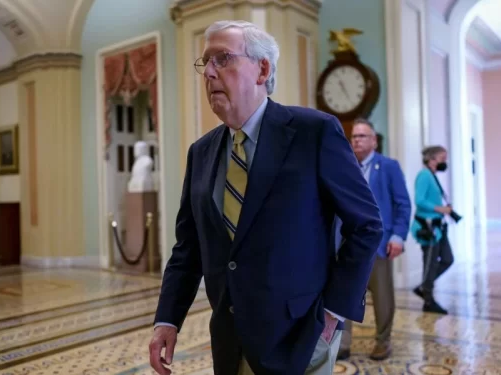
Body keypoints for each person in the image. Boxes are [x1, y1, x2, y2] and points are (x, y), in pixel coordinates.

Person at [148, 20, 383, 375]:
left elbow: (366, 225)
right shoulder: (201, 152)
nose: (209, 72)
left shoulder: (313, 132)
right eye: (205, 63)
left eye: (222, 58)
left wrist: (334, 311)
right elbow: (188, 247)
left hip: (301, 335)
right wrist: (167, 319)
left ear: (262, 69)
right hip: (229, 338)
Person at [335, 119, 411, 361]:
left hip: (379, 244)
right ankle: (343, 343)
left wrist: (398, 236)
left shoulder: (388, 166)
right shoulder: (344, 166)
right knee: (344, 294)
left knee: (382, 297)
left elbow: (402, 204)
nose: (356, 140)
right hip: (347, 244)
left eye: (362, 136)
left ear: (374, 141)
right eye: (354, 136)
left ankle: (382, 341)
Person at [411, 145, 453, 315]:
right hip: (427, 228)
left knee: (447, 259)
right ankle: (428, 300)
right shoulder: (423, 175)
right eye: (442, 159)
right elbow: (419, 201)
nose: (445, 162)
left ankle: (424, 286)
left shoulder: (432, 176)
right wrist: (439, 209)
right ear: (432, 159)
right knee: (429, 264)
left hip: (438, 227)